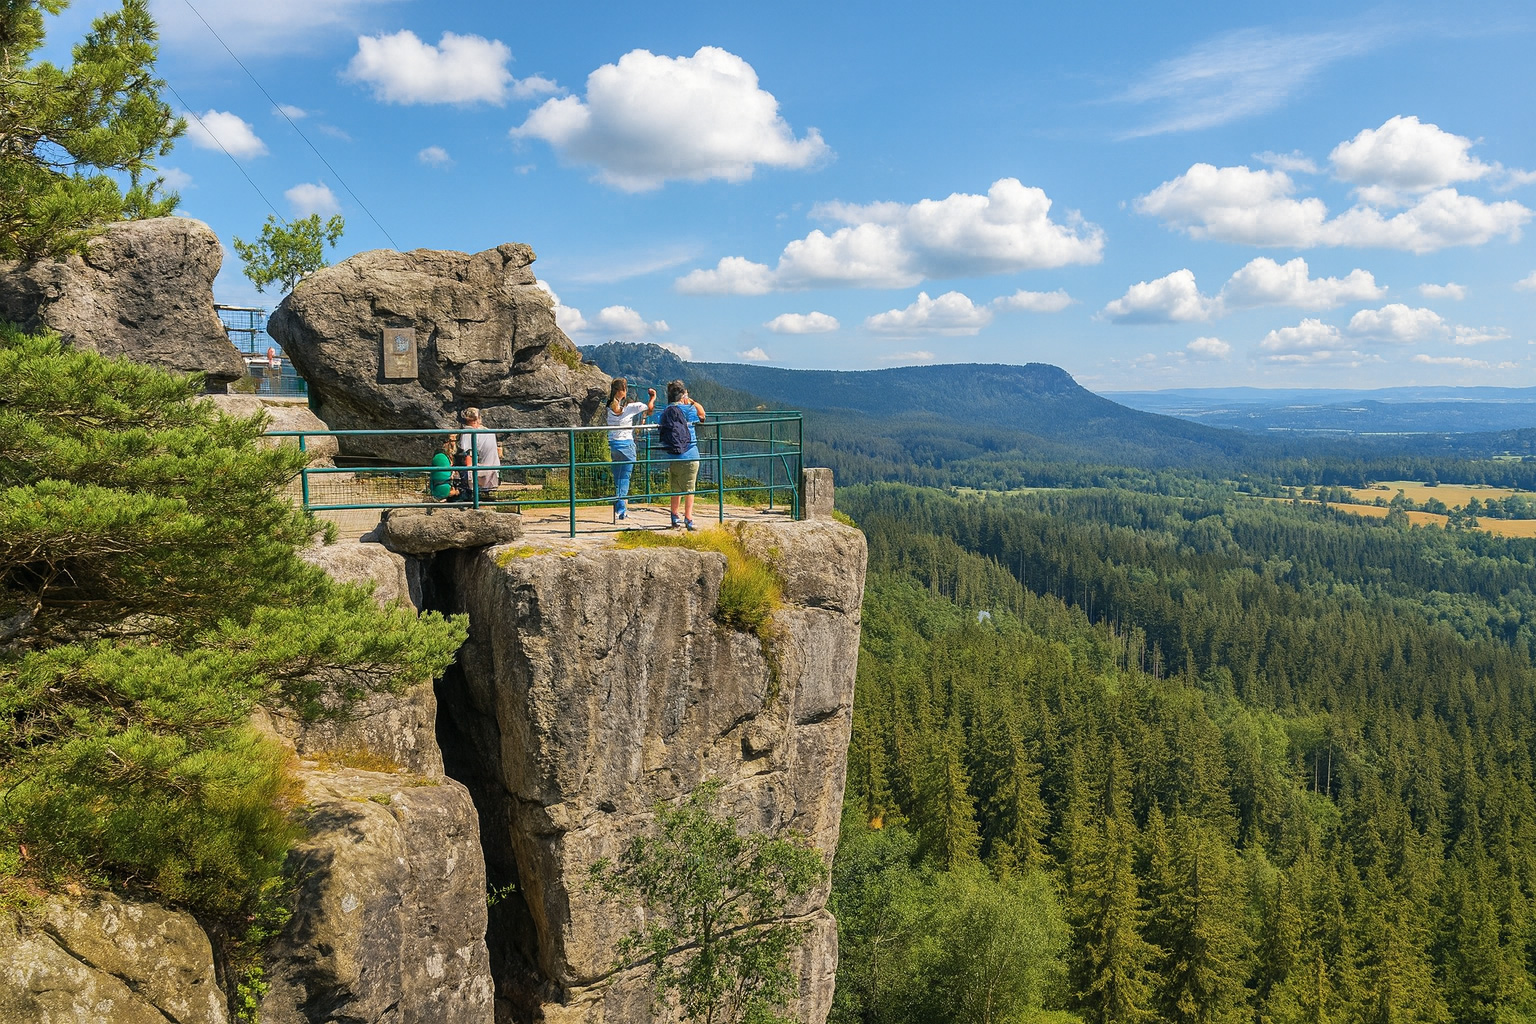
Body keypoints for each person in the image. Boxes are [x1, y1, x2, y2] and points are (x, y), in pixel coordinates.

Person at [605, 378, 656, 521]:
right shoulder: (631, 407)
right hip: (627, 445)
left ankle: (619, 505)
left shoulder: (608, 406)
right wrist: (653, 397)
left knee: (618, 477)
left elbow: (616, 408)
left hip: (613, 444)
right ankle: (621, 509)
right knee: (624, 478)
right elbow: (650, 409)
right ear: (624, 390)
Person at [658, 379, 705, 530]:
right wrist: (692, 401)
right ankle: (689, 519)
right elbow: (703, 416)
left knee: (675, 487)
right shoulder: (690, 410)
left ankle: (674, 517)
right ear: (683, 394)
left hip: (674, 453)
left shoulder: (666, 411)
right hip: (691, 452)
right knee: (689, 488)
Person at [457, 407, 501, 497]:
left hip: (480, 470)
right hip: (494, 470)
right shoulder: (490, 432)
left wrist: (469, 474)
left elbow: (468, 454)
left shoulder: (467, 433)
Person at [428, 434, 457, 501]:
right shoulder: (441, 457)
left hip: (443, 488)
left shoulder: (441, 456)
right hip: (444, 490)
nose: (454, 443)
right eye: (453, 440)